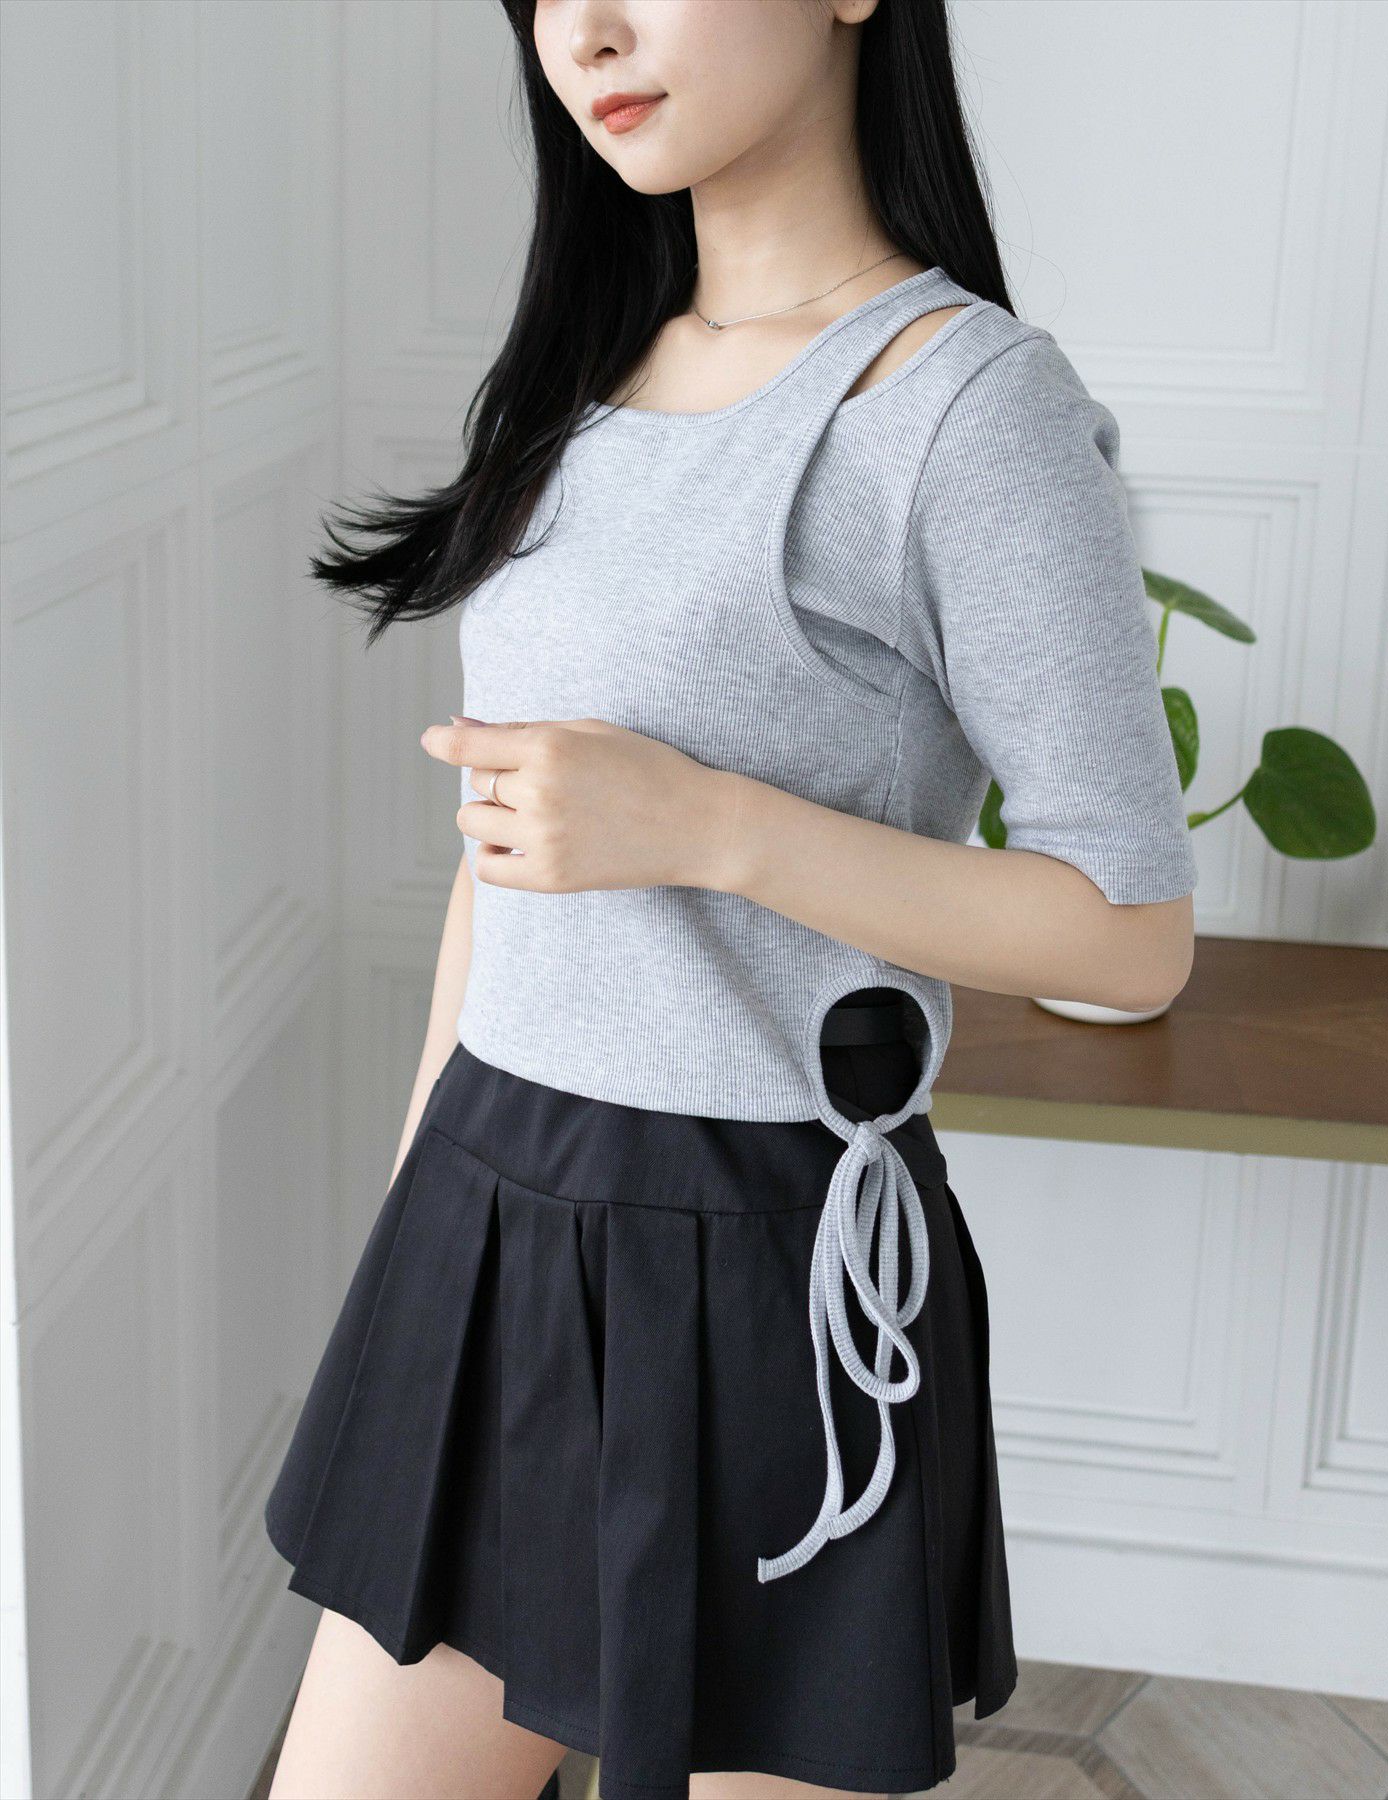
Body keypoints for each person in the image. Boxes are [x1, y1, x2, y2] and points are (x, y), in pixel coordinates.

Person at [263, 2, 1198, 1797]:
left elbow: (1129, 933)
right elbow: (508, 860)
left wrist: (706, 827)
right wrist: (408, 1241)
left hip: (768, 1272)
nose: (587, 32)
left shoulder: (964, 407)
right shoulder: (587, 370)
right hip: (486, 1219)